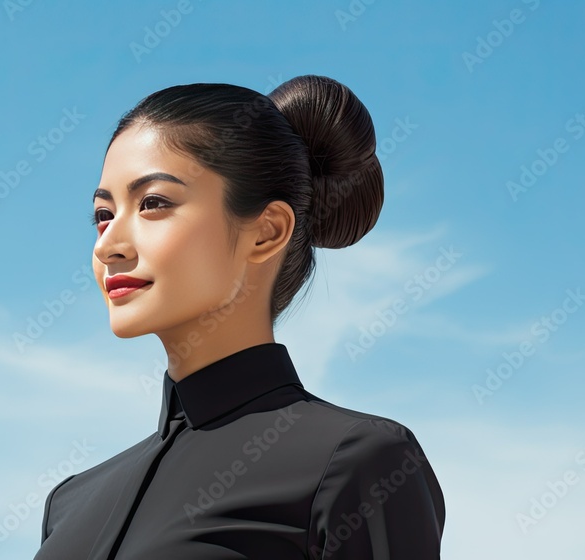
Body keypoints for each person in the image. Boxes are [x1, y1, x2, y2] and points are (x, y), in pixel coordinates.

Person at [33, 74, 445, 559]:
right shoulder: (69, 504)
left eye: (153, 204)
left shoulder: (359, 463)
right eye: (103, 214)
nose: (108, 245)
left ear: (267, 232)